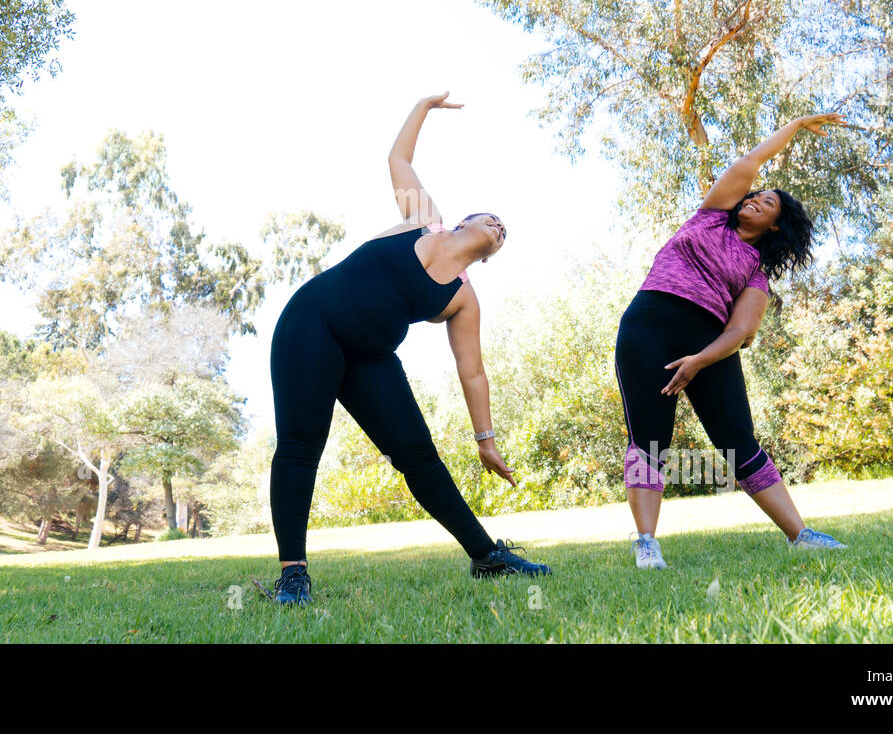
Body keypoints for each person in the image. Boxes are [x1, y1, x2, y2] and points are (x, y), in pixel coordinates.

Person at [268, 93, 551, 605]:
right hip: (312, 324)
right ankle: (293, 576)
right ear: (466, 220)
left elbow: (473, 373)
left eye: (503, 234)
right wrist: (424, 106)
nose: (498, 229)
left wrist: (485, 439)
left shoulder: (464, 298)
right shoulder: (424, 219)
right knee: (301, 445)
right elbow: (399, 160)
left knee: (419, 456)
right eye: (492, 220)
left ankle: (487, 556)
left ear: (490, 256)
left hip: (369, 356)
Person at [614, 113, 850, 570]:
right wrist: (797, 124)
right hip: (647, 327)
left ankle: (800, 535)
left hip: (708, 343)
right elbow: (752, 160)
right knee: (650, 438)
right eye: (757, 195)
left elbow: (740, 332)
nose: (757, 200)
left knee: (737, 439)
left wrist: (699, 361)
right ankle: (646, 543)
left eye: (769, 204)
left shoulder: (756, 275)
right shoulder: (709, 218)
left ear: (777, 227)